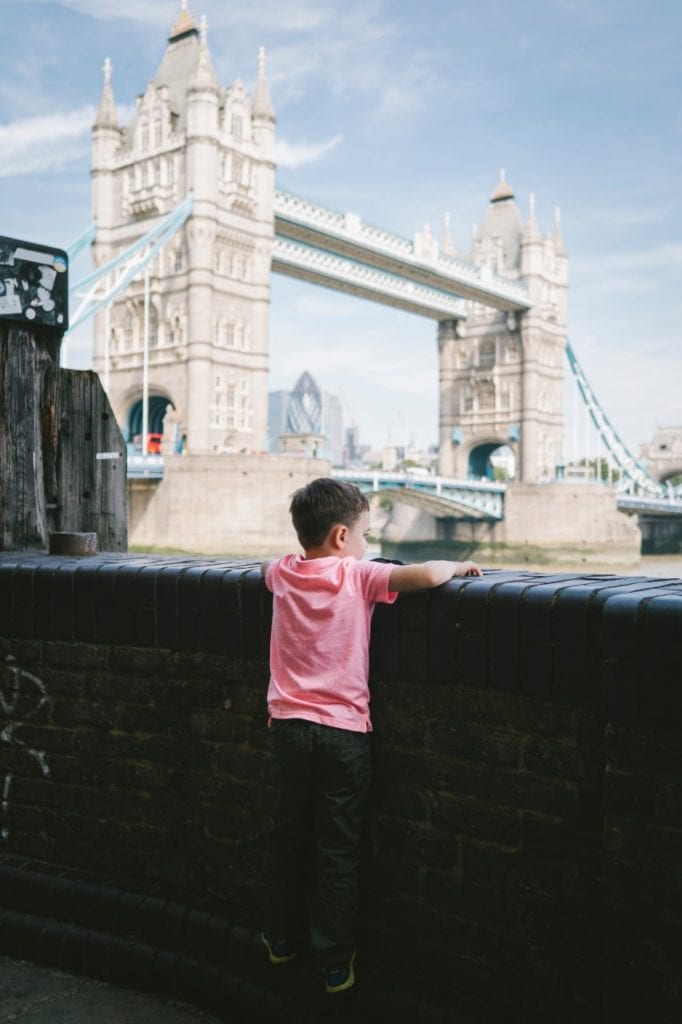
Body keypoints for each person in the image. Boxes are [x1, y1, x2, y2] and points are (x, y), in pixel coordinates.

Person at [260, 477, 482, 994]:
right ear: (341, 537)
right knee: (337, 847)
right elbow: (426, 574)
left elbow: (264, 569)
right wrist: (459, 566)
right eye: (364, 534)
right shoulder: (358, 576)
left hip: (288, 731)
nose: (367, 545)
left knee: (287, 835)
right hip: (343, 734)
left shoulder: (282, 572)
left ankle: (279, 938)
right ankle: (334, 961)